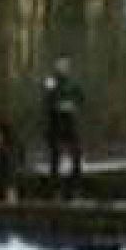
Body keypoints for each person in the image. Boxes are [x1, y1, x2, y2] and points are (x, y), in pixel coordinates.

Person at [40, 56, 85, 199]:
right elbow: (47, 99)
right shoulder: (51, 81)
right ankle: (55, 189)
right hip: (55, 124)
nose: (64, 68)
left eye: (66, 65)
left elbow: (80, 98)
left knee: (76, 154)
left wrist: (73, 106)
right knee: (55, 156)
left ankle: (75, 186)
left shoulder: (74, 83)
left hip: (69, 124)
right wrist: (58, 105)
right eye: (61, 65)